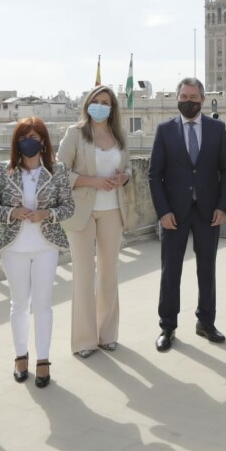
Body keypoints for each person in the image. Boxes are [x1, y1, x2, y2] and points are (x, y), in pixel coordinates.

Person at [0, 117, 74, 388]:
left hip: (46, 246)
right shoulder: (3, 171)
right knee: (19, 303)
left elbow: (68, 207)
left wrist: (47, 213)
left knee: (43, 304)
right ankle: (20, 356)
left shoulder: (57, 171)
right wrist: (11, 212)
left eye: (34, 136)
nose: (29, 142)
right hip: (14, 247)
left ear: (43, 141)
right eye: (24, 137)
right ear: (16, 142)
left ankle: (43, 359)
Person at [148, 78, 226, 351]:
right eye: (184, 96)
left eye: (194, 96)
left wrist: (223, 207)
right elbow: (154, 175)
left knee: (206, 269)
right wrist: (163, 211)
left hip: (208, 212)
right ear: (177, 98)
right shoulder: (164, 130)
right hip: (174, 213)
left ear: (203, 99)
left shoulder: (217, 129)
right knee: (170, 271)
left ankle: (206, 323)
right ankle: (167, 327)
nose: (189, 101)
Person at [57, 85, 131, 358]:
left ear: (112, 108)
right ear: (87, 103)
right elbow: (59, 171)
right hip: (82, 211)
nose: (100, 105)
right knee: (84, 275)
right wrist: (93, 181)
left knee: (109, 273)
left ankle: (107, 334)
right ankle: (84, 341)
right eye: (96, 101)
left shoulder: (119, 135)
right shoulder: (75, 134)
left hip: (113, 210)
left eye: (106, 102)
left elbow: (129, 167)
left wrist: (123, 177)